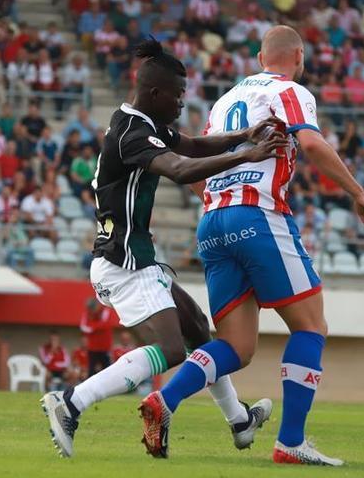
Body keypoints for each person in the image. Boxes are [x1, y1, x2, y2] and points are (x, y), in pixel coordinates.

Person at [140, 27, 364, 465]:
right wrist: (358, 193)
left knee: (237, 347)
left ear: (259, 56)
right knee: (311, 326)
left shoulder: (225, 101)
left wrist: (219, 204)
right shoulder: (290, 90)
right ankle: (291, 442)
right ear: (299, 55)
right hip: (259, 215)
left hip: (213, 222)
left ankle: (165, 401)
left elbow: (195, 165)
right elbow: (310, 142)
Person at [40, 38, 286, 459]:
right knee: (174, 350)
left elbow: (190, 146)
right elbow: (180, 168)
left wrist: (244, 134)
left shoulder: (144, 123)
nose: (181, 102)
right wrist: (248, 156)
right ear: (155, 93)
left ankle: (240, 421)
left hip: (135, 258)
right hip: (124, 262)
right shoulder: (130, 133)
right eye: (178, 94)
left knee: (196, 328)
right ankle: (71, 401)